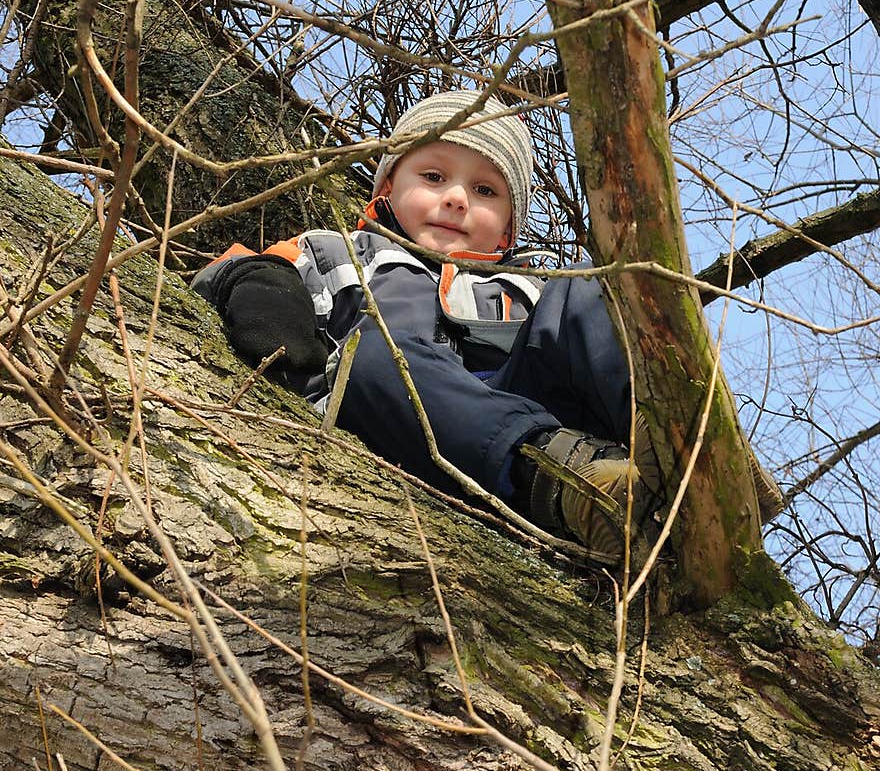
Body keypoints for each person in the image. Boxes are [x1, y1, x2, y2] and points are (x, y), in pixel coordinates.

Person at [191, 90, 672, 567]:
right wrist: (263, 288)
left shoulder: (535, 287)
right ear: (387, 188)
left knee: (597, 287)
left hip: (541, 403)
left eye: (486, 191)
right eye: (434, 176)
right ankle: (569, 486)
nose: (458, 199)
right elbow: (232, 273)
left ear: (508, 228)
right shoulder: (340, 252)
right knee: (377, 356)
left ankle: (674, 447)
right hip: (412, 423)